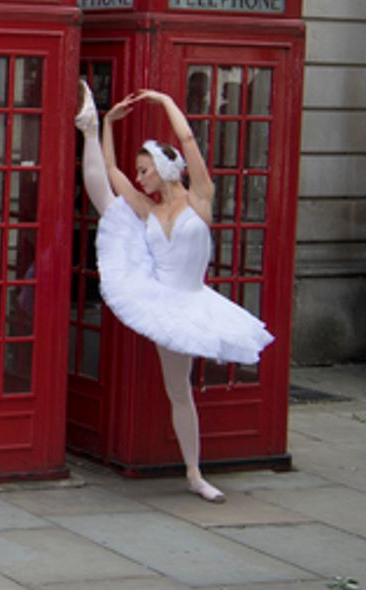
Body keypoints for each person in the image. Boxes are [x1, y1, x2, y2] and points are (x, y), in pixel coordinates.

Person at [74, 82, 272, 503]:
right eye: (140, 171)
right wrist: (107, 125)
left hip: (195, 300)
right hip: (159, 301)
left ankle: (194, 474)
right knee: (177, 390)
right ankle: (195, 473)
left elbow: (186, 139)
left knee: (182, 390)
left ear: (166, 169)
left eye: (145, 170)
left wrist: (164, 101)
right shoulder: (149, 208)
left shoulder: (200, 198)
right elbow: (110, 175)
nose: (140, 178)